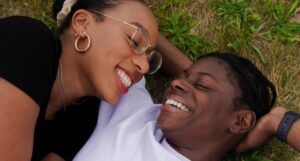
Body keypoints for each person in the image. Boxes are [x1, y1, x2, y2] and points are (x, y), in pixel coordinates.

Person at [0, 0, 164, 160]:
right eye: (134, 41)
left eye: (150, 60)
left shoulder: (85, 118)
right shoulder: (27, 43)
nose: (144, 66)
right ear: (82, 23)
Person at [73, 52, 278, 161]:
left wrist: (281, 123)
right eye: (181, 76)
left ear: (240, 120)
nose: (175, 82)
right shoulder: (136, 111)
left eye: (202, 85)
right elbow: (125, 29)